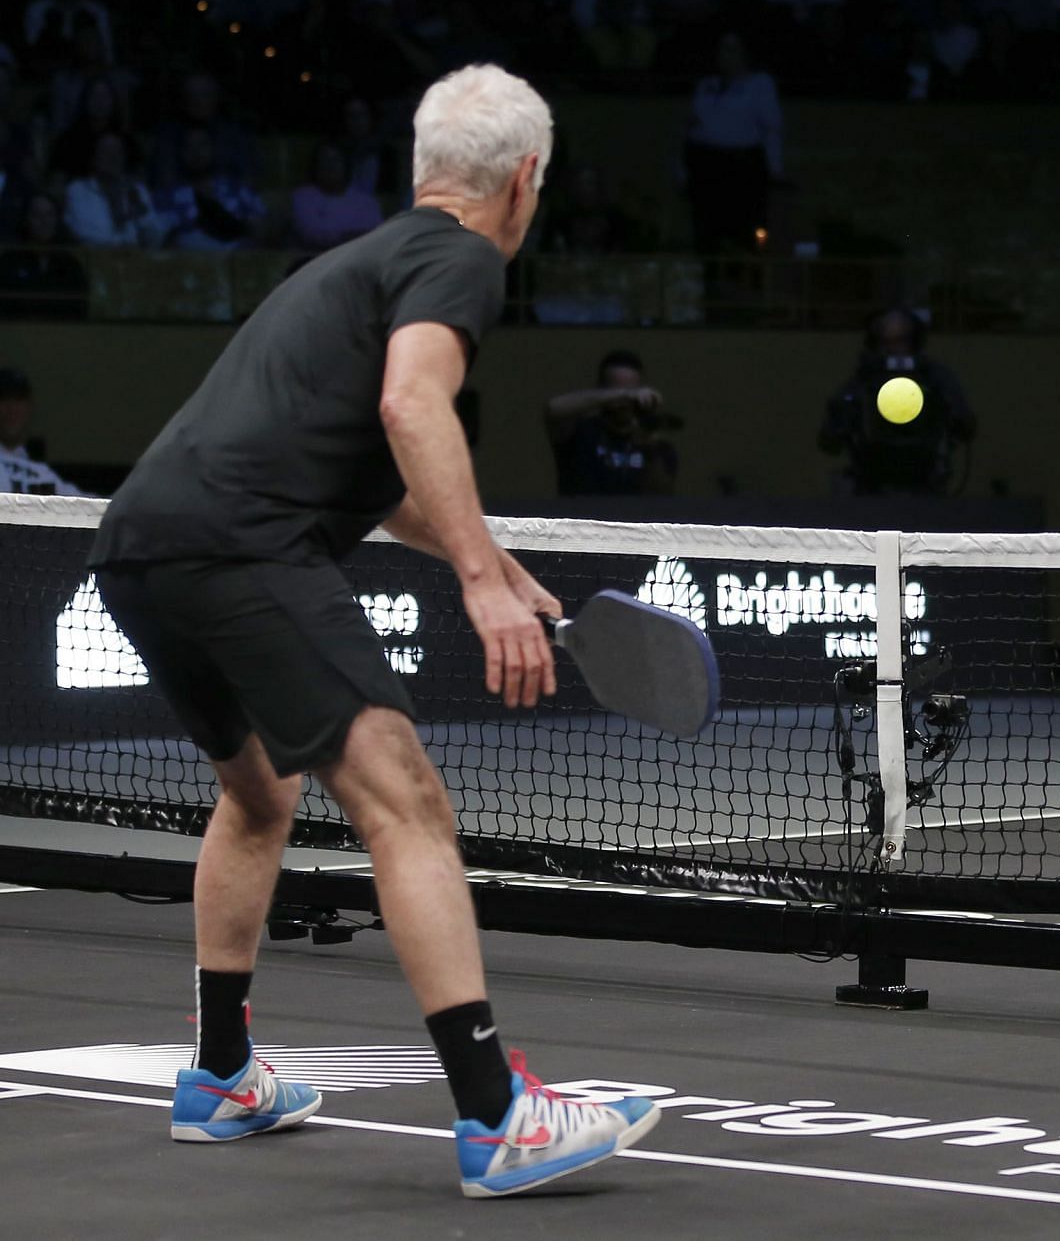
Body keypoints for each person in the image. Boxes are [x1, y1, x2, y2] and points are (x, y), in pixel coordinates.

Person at [86, 64, 657, 1198]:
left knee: (259, 792)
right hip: (242, 545)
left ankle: (221, 1072)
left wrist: (479, 557)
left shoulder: (352, 262)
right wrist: (485, 593)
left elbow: (366, 455)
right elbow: (411, 405)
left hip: (139, 544)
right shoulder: (461, 258)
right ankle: (498, 1113)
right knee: (405, 797)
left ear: (424, 167)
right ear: (524, 180)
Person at [819, 308, 975, 495]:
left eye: (901, 341)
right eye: (885, 342)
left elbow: (964, 424)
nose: (893, 349)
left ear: (914, 342)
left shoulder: (935, 378)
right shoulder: (864, 380)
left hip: (924, 482)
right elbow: (829, 439)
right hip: (872, 484)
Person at [681, 31, 782, 253]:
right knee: (707, 229)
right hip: (706, 164)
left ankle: (747, 281)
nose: (726, 55)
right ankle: (710, 283)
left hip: (743, 166)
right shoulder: (707, 85)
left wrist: (774, 168)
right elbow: (689, 127)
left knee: (746, 230)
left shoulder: (760, 83)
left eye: (732, 49)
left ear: (746, 53)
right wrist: (681, 169)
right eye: (722, 49)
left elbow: (771, 128)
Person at [546, 348, 679, 495]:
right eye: (616, 390)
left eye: (632, 390)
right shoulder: (581, 432)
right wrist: (623, 394)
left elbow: (661, 495)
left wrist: (650, 451)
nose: (625, 402)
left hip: (633, 516)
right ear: (603, 390)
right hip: (582, 516)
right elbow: (553, 409)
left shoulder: (653, 442)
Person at [156, 126, 268, 251]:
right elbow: (156, 239)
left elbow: (263, 228)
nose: (196, 152)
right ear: (181, 152)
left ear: (213, 149)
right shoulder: (166, 197)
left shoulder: (237, 190)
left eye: (202, 145)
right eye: (189, 146)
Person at [63, 132, 165, 247]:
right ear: (94, 158)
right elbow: (83, 234)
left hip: (135, 262)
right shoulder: (78, 190)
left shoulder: (137, 190)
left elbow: (156, 237)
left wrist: (141, 216)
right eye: (106, 152)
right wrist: (122, 239)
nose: (113, 157)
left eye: (118, 152)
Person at [0, 191, 88, 318]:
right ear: (26, 219)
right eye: (37, 215)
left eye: (50, 215)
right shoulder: (8, 262)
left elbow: (80, 309)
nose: (44, 221)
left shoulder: (71, 265)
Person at [0, 367, 85, 493]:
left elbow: (90, 505)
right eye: (4, 399)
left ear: (29, 407)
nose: (12, 409)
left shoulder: (41, 472)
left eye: (19, 399)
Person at [290, 140, 385, 251]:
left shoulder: (367, 203)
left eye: (336, 160)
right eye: (324, 160)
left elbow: (376, 238)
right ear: (315, 166)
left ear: (345, 165)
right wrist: (346, 238)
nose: (330, 166)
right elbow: (309, 234)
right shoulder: (301, 198)